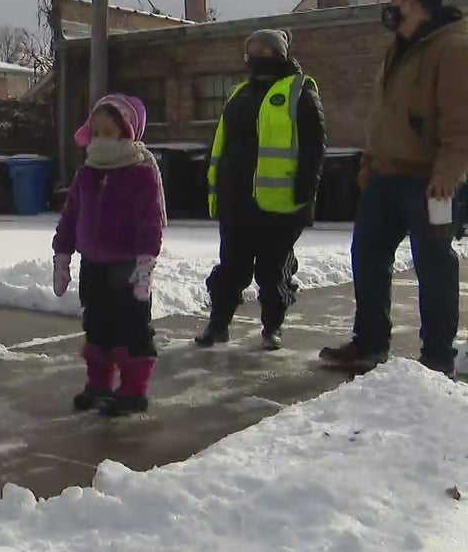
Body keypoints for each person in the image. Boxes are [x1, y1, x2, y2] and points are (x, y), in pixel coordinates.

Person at [320, 0, 468, 377]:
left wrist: (448, 172)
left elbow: (461, 119)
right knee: (367, 255)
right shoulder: (398, 48)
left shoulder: (454, 47)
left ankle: (437, 356)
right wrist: (368, 163)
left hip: (429, 180)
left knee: (434, 263)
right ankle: (369, 342)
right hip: (385, 177)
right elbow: (382, 114)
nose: (388, 7)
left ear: (416, 3)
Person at [194, 28, 327, 351]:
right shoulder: (239, 92)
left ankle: (272, 328)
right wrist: (217, 189)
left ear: (280, 54)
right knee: (231, 268)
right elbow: (221, 144)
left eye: (264, 51)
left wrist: (304, 196)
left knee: (272, 270)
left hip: (279, 203)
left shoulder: (299, 90)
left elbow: (314, 146)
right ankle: (218, 325)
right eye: (251, 51)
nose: (256, 58)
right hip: (236, 198)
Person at [52, 94, 166, 417]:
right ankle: (98, 384)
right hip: (94, 266)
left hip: (128, 266)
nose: (101, 138)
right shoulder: (87, 173)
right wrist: (62, 254)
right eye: (96, 131)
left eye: (109, 131)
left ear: (127, 133)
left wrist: (145, 264)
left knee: (132, 328)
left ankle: (133, 390)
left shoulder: (141, 173)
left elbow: (150, 221)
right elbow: (70, 217)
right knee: (97, 326)